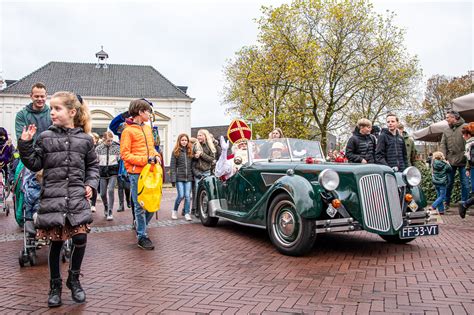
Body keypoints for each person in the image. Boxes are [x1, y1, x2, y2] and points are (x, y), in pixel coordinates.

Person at [17, 91, 99, 308]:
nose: (51, 112)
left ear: (72, 112)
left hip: (76, 197)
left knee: (80, 239)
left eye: (57, 108)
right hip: (53, 197)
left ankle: (74, 279)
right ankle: (55, 286)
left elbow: (93, 166)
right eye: (51, 108)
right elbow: (34, 164)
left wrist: (90, 184)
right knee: (56, 243)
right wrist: (24, 145)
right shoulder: (45, 137)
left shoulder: (85, 139)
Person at [120, 99, 162, 250]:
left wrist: (156, 155)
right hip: (136, 173)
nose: (150, 115)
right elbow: (125, 155)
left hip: (149, 171)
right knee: (140, 206)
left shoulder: (148, 129)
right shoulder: (127, 131)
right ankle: (142, 236)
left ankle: (140, 224)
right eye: (148, 111)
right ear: (140, 112)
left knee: (152, 204)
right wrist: (146, 160)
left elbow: (152, 148)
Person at [440, 110, 469, 208]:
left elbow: (470, 142)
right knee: (448, 182)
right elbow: (443, 145)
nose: (446, 119)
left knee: (465, 183)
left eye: (448, 117)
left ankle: (464, 204)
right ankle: (446, 202)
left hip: (464, 161)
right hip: (450, 161)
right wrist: (443, 158)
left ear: (454, 117)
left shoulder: (465, 127)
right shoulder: (446, 130)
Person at [192, 129, 220, 211]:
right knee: (197, 190)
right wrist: (195, 156)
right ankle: (197, 210)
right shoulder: (195, 145)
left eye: (200, 135)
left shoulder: (210, 146)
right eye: (198, 135)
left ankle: (207, 208)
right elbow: (191, 158)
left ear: (205, 136)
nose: (198, 137)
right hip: (198, 171)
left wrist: (201, 154)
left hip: (207, 171)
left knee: (207, 191)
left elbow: (212, 159)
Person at [95, 131, 120, 221]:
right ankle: (106, 205)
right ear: (104, 140)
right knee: (102, 193)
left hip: (113, 171)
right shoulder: (98, 148)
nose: (110, 142)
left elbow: (119, 159)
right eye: (108, 141)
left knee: (110, 190)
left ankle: (110, 211)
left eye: (111, 140)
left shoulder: (116, 147)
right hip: (102, 171)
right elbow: (95, 161)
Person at [170, 133, 194, 221]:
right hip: (179, 177)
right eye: (182, 140)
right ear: (179, 141)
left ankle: (187, 213)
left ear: (188, 141)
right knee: (181, 195)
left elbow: (193, 165)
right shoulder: (176, 151)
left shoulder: (190, 151)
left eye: (186, 140)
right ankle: (174, 210)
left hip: (189, 178)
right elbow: (172, 166)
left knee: (187, 196)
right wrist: (173, 179)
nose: (184, 142)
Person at [458, 122, 474, 218]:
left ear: (468, 134)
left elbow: (469, 159)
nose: (463, 137)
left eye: (464, 135)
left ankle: (465, 204)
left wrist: (468, 168)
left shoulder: (469, 143)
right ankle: (465, 204)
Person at [89, 132, 100, 212]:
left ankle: (93, 204)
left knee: (94, 186)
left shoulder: (97, 147)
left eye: (93, 138)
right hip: (87, 168)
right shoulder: (86, 146)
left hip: (96, 168)